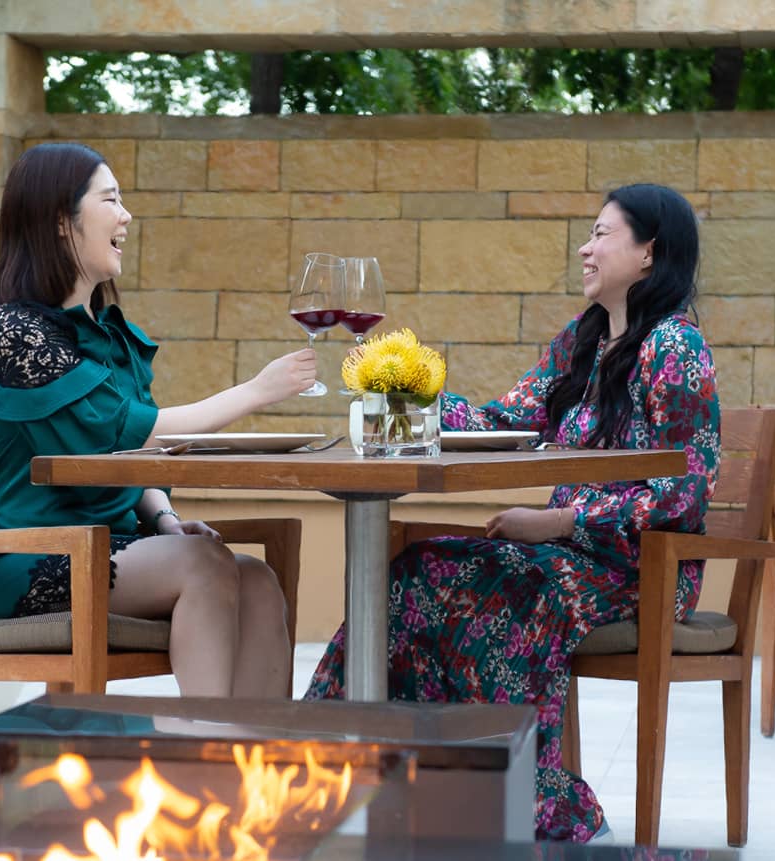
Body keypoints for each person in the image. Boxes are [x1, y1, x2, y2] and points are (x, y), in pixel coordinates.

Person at [305, 184, 720, 841]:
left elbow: (685, 493)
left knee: (501, 597)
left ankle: (540, 805)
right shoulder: (580, 343)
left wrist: (559, 522)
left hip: (637, 568)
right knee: (418, 570)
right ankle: (335, 759)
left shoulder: (675, 349)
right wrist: (410, 389)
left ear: (649, 252)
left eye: (602, 234)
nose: (585, 248)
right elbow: (505, 421)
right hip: (561, 557)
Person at [0, 142, 317, 699]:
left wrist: (166, 520)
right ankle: (205, 754)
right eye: (111, 199)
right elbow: (136, 432)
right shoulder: (15, 332)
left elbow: (131, 462)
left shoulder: (107, 334)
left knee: (258, 580)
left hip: (108, 545)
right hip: (22, 554)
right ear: (60, 222)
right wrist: (256, 391)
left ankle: (254, 767)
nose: (126, 216)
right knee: (204, 565)